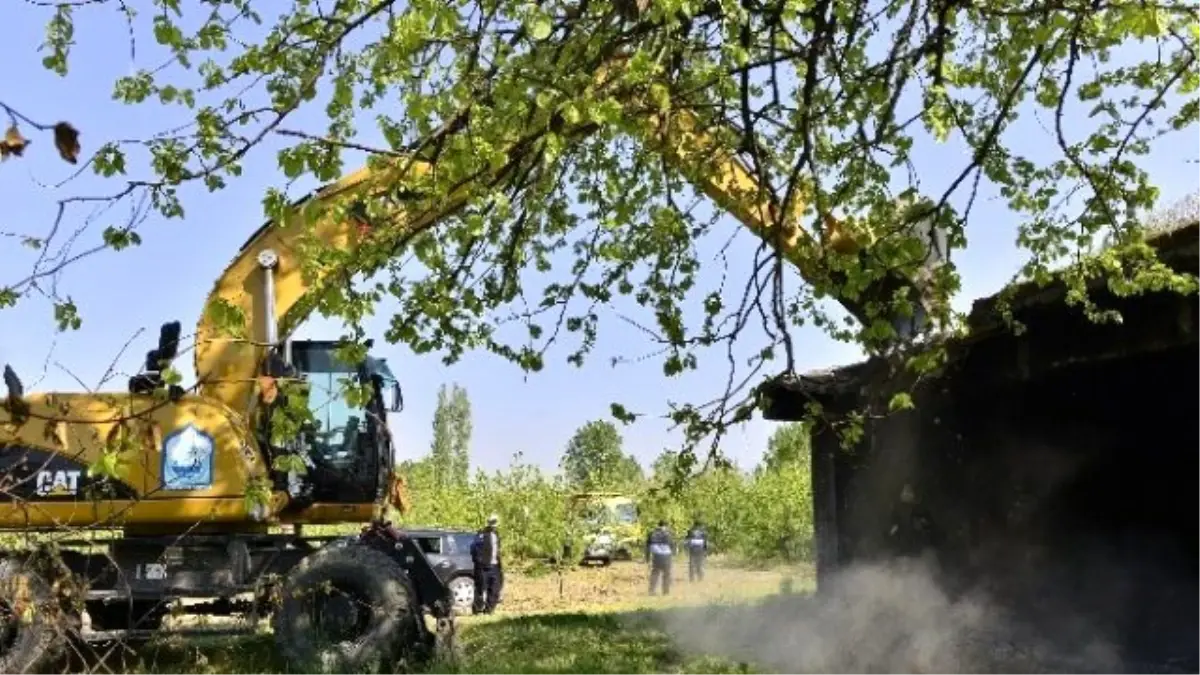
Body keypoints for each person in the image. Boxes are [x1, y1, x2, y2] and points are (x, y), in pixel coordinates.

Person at [469, 513, 503, 614]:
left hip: (495, 566)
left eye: (495, 522)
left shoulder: (496, 534)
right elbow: (474, 548)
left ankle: (489, 610)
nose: (494, 524)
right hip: (483, 567)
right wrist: (479, 561)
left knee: (495, 589)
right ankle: (477, 609)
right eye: (492, 522)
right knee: (480, 588)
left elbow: (497, 549)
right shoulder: (482, 533)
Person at [645, 520, 675, 596]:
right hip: (666, 556)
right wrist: (673, 555)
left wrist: (647, 558)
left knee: (655, 573)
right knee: (666, 574)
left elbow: (647, 547)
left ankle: (651, 591)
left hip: (656, 556)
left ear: (658, 525)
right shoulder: (669, 534)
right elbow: (672, 546)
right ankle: (665, 592)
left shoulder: (651, 533)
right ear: (666, 526)